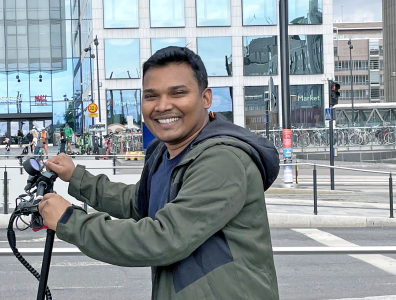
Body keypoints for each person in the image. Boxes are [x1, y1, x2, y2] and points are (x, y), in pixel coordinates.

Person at [38, 46, 280, 299]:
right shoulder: (165, 153)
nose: (163, 106)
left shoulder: (223, 159)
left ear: (206, 98)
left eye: (178, 93)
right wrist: (76, 176)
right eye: (151, 96)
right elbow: (139, 202)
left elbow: (163, 239)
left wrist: (69, 220)